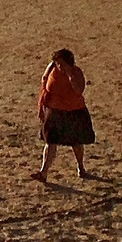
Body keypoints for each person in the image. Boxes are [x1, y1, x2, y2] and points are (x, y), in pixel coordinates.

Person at [31, 49, 94, 181]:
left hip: (73, 112)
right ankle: (43, 172)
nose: (59, 66)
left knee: (76, 143)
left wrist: (70, 76)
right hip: (54, 113)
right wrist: (42, 107)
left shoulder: (76, 73)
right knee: (50, 142)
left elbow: (79, 90)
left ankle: (81, 167)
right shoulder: (52, 68)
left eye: (62, 64)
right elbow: (44, 84)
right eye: (57, 63)